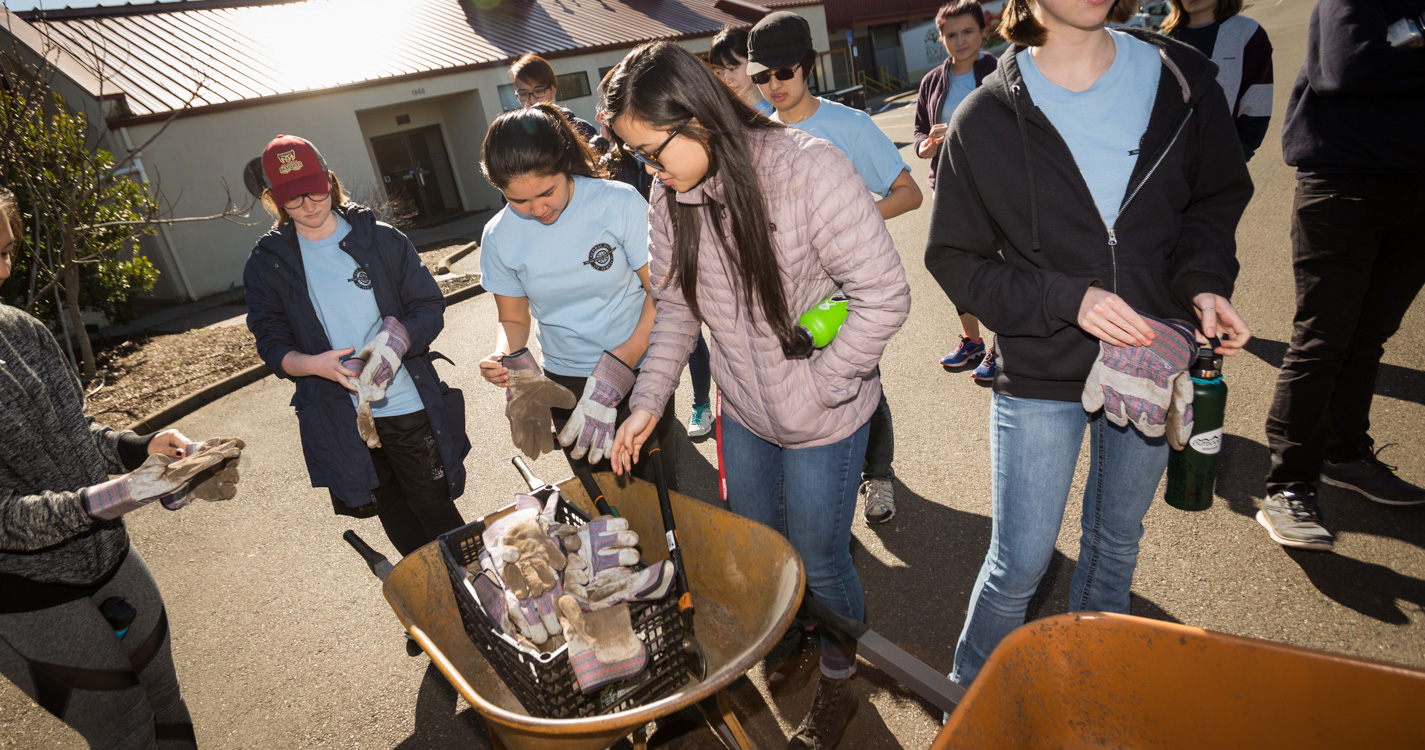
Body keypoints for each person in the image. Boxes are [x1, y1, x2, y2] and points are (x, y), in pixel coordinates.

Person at [924, 0, 1254, 689]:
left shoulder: (1182, 76)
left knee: (1113, 546)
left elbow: (1214, 199)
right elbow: (953, 258)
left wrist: (1202, 282)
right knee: (1018, 562)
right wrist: (1064, 298)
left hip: (1152, 351)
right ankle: (965, 705)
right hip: (1039, 365)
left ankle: (1090, 691)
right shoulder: (982, 116)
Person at [603, 41, 910, 749]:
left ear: (697, 117)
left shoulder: (808, 168)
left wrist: (825, 387)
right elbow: (676, 309)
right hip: (743, 411)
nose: (651, 169)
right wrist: (649, 401)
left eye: (654, 151)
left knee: (819, 552)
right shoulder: (670, 190)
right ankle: (792, 632)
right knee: (759, 542)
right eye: (639, 157)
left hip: (823, 415)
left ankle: (839, 676)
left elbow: (883, 296)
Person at [0, 187, 231, 748]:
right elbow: (5, 519)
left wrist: (145, 449)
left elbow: (76, 431)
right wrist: (119, 494)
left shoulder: (22, 329)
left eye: (5, 251)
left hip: (110, 557)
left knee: (166, 703)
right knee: (126, 729)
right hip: (28, 596)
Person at [244, 135, 469, 558]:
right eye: (294, 199)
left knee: (434, 507)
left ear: (330, 179)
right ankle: (436, 603)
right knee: (393, 510)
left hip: (405, 403)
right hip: (343, 416)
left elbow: (428, 305)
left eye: (316, 189)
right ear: (274, 200)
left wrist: (398, 342)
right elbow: (271, 342)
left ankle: (482, 594)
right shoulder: (268, 264)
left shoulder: (380, 240)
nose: (310, 204)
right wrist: (313, 365)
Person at [1258, 0, 1425, 549]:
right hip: (1344, 184)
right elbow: (1348, 66)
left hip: (1415, 189)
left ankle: (1345, 453)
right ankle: (1288, 486)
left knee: (1369, 337)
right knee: (1323, 339)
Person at [748, 11, 921, 528]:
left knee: (860, 378)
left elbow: (908, 193)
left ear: (807, 67)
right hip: (782, 294)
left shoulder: (849, 126)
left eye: (784, 73)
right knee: (797, 386)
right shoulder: (755, 133)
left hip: (843, 290)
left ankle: (879, 473)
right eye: (762, 76)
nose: (773, 86)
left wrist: (842, 225)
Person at [475, 104, 678, 489]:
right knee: (601, 498)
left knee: (657, 493)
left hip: (638, 367)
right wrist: (506, 356)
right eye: (518, 201)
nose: (537, 209)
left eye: (546, 192)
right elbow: (514, 319)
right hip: (566, 382)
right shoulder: (499, 236)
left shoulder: (617, 202)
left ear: (564, 163)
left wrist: (623, 364)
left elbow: (663, 293)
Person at [913, 0, 1002, 380]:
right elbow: (919, 132)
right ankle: (972, 340)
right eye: (951, 34)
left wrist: (971, 135)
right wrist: (927, 147)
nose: (960, 40)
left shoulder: (999, 71)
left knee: (1002, 265)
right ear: (941, 39)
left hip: (997, 185)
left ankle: (1004, 346)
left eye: (967, 31)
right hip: (947, 186)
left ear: (983, 32)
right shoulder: (933, 81)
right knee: (956, 264)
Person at [1161, 0, 1274, 161]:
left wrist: (1239, 152)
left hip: (1224, 161)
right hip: (1169, 166)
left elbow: (1258, 100)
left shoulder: (1248, 33)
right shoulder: (1161, 41)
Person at [509, 53, 599, 142]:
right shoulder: (515, 138)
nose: (531, 100)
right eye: (523, 94)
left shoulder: (581, 130)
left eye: (539, 91)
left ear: (552, 91)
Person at [708, 26, 776, 115]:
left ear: (753, 61)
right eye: (719, 72)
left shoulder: (781, 104)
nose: (726, 79)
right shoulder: (718, 115)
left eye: (732, 68)